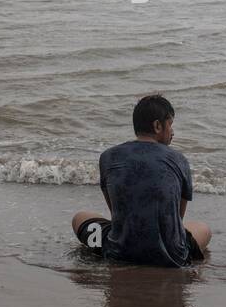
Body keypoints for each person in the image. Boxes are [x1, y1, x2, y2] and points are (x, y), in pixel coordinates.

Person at [71, 95, 211, 266]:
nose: (172, 132)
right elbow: (177, 219)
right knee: (203, 229)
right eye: (171, 125)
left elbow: (115, 212)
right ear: (158, 125)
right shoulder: (178, 159)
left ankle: (101, 252)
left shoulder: (108, 156)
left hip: (119, 253)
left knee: (80, 217)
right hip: (172, 256)